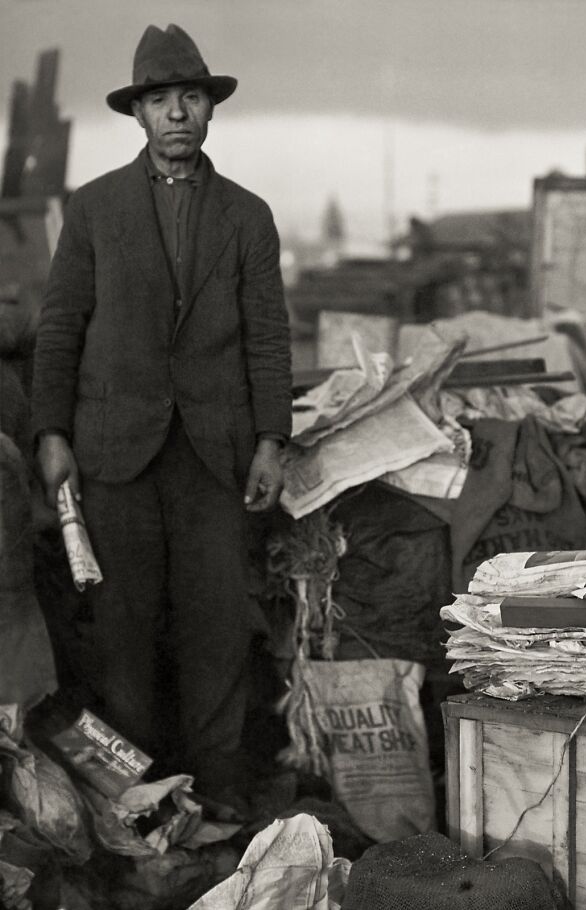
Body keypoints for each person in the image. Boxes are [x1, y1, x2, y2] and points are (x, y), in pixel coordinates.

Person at [31, 23, 292, 811]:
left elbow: (269, 337)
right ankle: (136, 807)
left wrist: (272, 442)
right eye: (159, 101)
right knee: (121, 635)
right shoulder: (94, 209)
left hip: (215, 457)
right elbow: (61, 326)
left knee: (218, 632)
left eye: (190, 98)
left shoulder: (248, 217)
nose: (176, 113)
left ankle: (216, 801)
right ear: (137, 116)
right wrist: (51, 434)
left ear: (209, 112)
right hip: (114, 456)